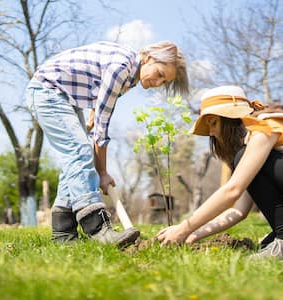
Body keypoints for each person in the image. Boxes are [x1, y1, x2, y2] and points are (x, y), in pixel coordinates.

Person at [25, 40, 189, 246]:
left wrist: (93, 113)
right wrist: (102, 173)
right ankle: (98, 227)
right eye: (159, 74)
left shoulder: (131, 75)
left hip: (66, 97)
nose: (158, 83)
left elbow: (100, 100)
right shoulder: (122, 67)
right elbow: (101, 130)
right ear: (148, 57)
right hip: (48, 91)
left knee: (74, 163)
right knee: (80, 153)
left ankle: (63, 233)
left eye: (164, 82)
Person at [156, 85, 283, 260]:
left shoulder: (264, 130)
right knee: (264, 245)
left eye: (214, 122)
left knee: (240, 158)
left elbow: (232, 190)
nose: (211, 132)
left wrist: (183, 227)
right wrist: (193, 233)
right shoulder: (253, 146)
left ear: (232, 118)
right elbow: (239, 210)